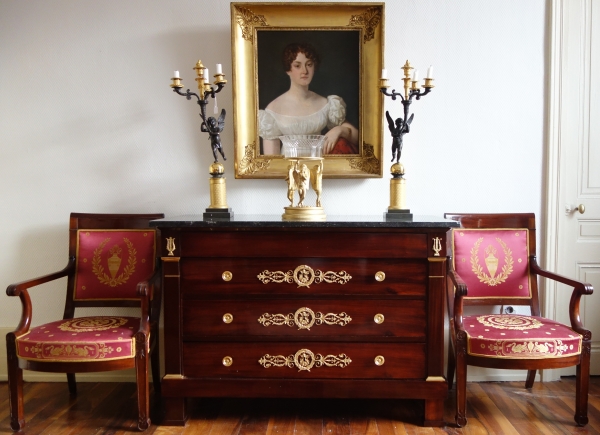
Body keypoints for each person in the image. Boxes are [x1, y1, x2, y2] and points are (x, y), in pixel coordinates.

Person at [259, 43, 359, 155]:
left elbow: (357, 138)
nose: (305, 71)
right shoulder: (273, 109)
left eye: (309, 65)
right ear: (288, 69)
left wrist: (339, 130)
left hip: (321, 168)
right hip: (288, 169)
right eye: (297, 66)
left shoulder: (326, 103)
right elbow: (271, 161)